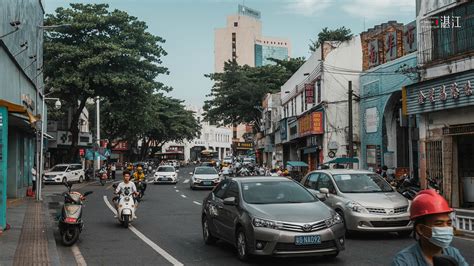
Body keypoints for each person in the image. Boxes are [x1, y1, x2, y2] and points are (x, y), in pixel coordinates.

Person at [392, 189, 468, 266]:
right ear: (420, 229)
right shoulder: (404, 261)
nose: (446, 228)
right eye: (439, 223)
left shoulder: (453, 253)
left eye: (449, 223)